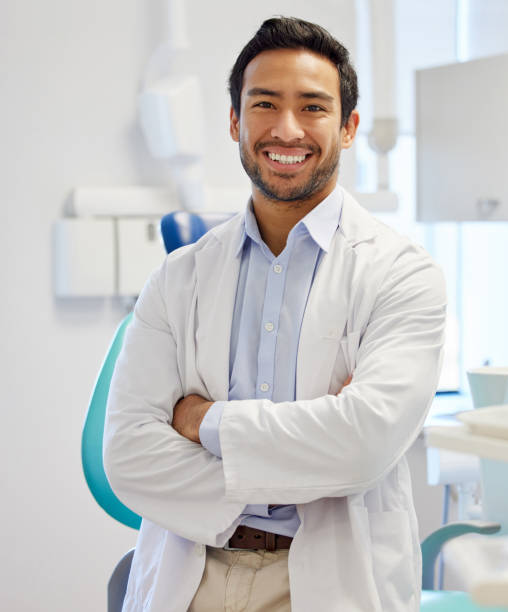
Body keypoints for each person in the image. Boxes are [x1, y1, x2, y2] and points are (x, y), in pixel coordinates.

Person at [104, 16, 446, 612]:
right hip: (191, 574)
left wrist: (203, 423)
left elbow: (361, 446)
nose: (287, 128)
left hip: (326, 580)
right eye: (265, 103)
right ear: (236, 121)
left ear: (348, 128)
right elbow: (128, 455)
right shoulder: (178, 277)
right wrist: (313, 462)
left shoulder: (403, 275)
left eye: (313, 107)